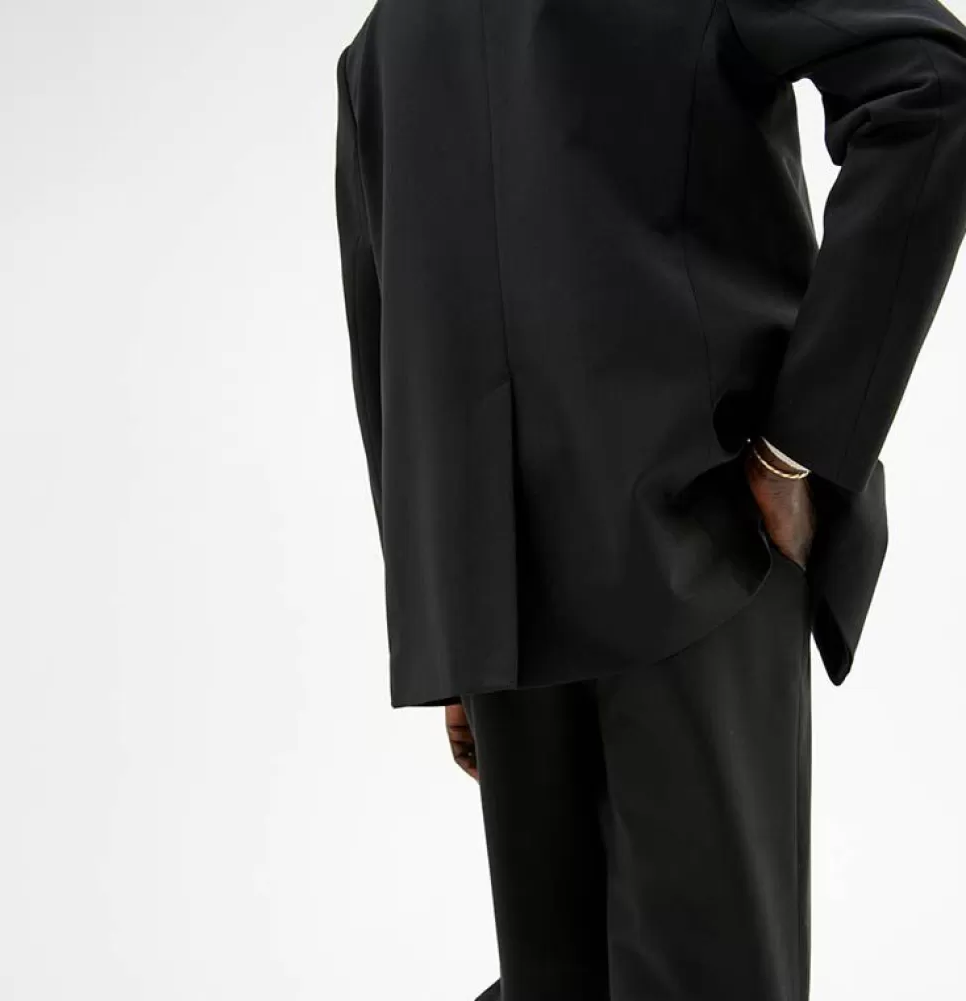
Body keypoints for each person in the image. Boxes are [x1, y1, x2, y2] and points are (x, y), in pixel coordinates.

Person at [334, 0, 966, 997]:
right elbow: (935, 84)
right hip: (702, 543)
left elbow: (383, 328)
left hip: (498, 603)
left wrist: (448, 633)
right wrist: (800, 447)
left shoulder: (383, 41)